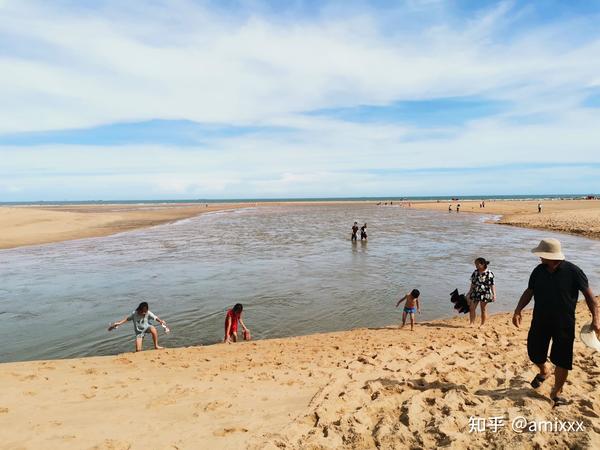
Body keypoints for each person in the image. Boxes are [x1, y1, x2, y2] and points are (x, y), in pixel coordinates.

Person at [512, 238, 599, 407]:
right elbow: (529, 291)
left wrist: (596, 319)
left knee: (562, 359)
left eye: (541, 255)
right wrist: (517, 309)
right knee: (534, 352)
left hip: (564, 323)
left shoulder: (574, 271)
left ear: (549, 255)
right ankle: (544, 370)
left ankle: (556, 392)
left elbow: (590, 297)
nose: (539, 258)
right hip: (540, 320)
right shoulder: (538, 271)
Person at [467, 258, 496, 327]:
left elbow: (492, 285)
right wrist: (469, 292)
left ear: (482, 264)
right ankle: (472, 323)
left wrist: (494, 294)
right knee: (472, 308)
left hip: (485, 293)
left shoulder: (489, 273)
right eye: (475, 264)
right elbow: (473, 283)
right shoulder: (475, 272)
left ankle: (482, 324)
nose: (476, 265)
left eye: (477, 264)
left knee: (483, 309)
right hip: (475, 292)